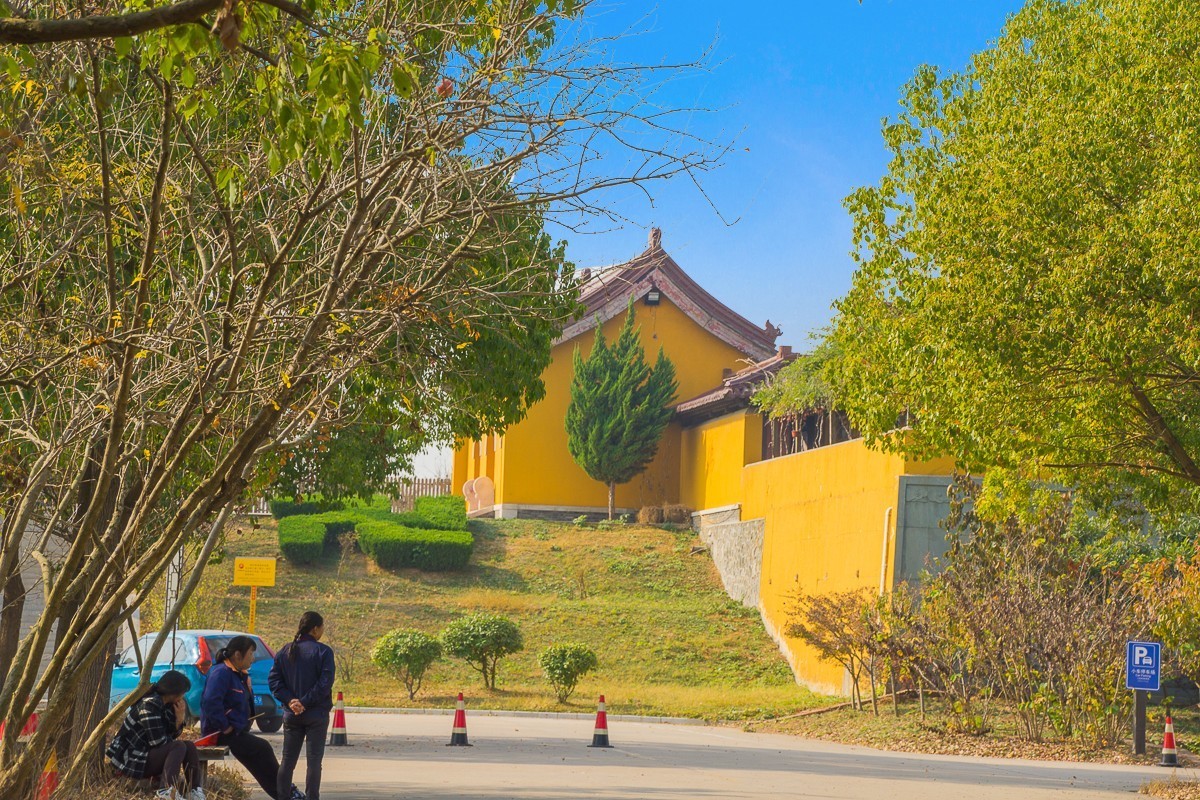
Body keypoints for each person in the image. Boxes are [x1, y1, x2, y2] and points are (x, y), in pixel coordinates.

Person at [200, 635, 303, 800]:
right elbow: (210, 704)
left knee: (259, 755)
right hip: (219, 733)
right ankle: (285, 793)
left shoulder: (237, 674)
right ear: (237, 655)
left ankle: (284, 792)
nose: (253, 659)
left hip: (235, 731)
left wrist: (245, 682)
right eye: (250, 655)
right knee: (262, 748)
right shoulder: (220, 673)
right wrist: (225, 726)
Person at [106, 669, 204, 800]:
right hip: (131, 759)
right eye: (183, 693)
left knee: (189, 745)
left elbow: (169, 737)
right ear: (174, 693)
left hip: (145, 753)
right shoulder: (149, 704)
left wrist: (179, 720)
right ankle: (166, 791)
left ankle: (194, 791)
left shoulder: (166, 705)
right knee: (179, 746)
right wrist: (174, 738)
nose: (183, 697)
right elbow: (158, 742)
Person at [270, 611, 335, 800]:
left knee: (288, 760)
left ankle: (282, 796)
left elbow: (274, 681)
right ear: (315, 629)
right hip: (316, 714)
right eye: (322, 627)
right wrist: (304, 702)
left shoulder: (285, 650)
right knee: (314, 761)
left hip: (291, 715)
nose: (322, 631)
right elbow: (325, 683)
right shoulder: (323, 652)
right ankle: (311, 797)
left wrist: (291, 701)